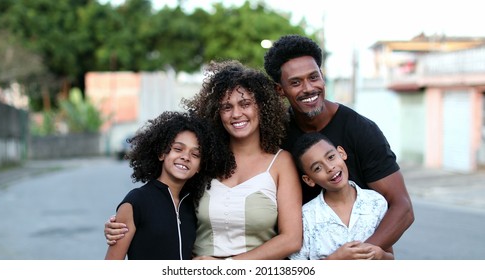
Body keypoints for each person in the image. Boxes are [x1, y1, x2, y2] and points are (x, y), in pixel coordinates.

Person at [105, 60, 303, 260]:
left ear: (262, 107)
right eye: (226, 107)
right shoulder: (205, 158)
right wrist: (126, 221)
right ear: (217, 113)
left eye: (245, 104)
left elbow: (292, 239)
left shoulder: (281, 162)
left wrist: (227, 266)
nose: (236, 114)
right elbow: (165, 203)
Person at [263, 34, 414, 252]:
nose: (308, 88)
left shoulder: (361, 130)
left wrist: (360, 255)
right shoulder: (276, 136)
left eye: (313, 77)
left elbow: (402, 207)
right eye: (295, 82)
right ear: (280, 90)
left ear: (322, 77)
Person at [104, 111, 234, 260]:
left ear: (199, 166)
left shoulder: (192, 206)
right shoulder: (137, 201)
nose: (185, 157)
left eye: (195, 154)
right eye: (178, 149)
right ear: (161, 154)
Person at [288, 132, 393, 260]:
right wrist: (336, 259)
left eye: (331, 157)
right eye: (317, 168)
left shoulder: (376, 202)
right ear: (309, 180)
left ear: (341, 153)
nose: (330, 168)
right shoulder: (306, 217)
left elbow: (390, 257)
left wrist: (380, 255)